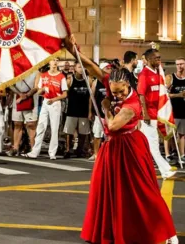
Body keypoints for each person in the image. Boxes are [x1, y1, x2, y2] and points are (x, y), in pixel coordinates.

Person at [62, 36, 178, 244]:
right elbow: (91, 67)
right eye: (113, 92)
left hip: (131, 147)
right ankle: (111, 231)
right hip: (113, 148)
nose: (117, 95)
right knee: (108, 192)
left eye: (120, 91)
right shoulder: (112, 81)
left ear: (128, 84)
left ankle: (166, 231)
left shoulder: (131, 105)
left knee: (142, 191)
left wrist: (106, 106)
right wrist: (73, 51)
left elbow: (113, 125)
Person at [138, 49, 175, 179]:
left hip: (157, 114)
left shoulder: (159, 74)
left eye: (159, 58)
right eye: (156, 58)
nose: (159, 60)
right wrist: (145, 113)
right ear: (148, 60)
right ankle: (165, 170)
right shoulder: (144, 75)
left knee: (147, 146)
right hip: (149, 115)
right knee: (153, 145)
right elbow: (141, 95)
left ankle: (139, 169)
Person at [22, 58, 68, 160]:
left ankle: (52, 152)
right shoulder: (44, 76)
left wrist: (54, 99)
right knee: (41, 126)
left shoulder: (61, 77)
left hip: (55, 103)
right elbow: (38, 92)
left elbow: (65, 94)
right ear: (49, 62)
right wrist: (42, 90)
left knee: (54, 128)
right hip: (45, 102)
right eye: (53, 60)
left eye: (57, 60)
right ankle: (35, 151)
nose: (55, 62)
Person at [166, 57, 185, 164]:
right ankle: (168, 155)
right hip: (173, 109)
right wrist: (179, 94)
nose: (180, 66)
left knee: (182, 134)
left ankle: (182, 155)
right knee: (170, 134)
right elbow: (165, 94)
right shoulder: (170, 77)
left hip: (184, 109)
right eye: (177, 64)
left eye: (182, 64)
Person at [63, 62, 91, 158]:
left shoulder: (88, 80)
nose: (81, 69)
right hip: (72, 110)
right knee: (69, 132)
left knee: (83, 132)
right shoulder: (70, 79)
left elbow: (91, 97)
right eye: (79, 67)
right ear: (74, 68)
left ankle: (80, 149)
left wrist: (90, 111)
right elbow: (64, 93)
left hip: (84, 110)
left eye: (82, 67)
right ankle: (67, 149)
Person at [8, 72, 39, 156]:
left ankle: (33, 148)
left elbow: (36, 87)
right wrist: (19, 94)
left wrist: (26, 95)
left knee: (31, 125)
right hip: (18, 98)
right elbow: (10, 84)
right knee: (17, 123)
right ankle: (15, 148)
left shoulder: (36, 71)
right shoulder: (16, 71)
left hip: (31, 98)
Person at [88, 63, 111, 161]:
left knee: (109, 136)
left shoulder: (111, 81)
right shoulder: (96, 82)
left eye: (110, 68)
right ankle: (96, 153)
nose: (109, 69)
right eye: (107, 68)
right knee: (97, 134)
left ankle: (108, 153)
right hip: (99, 113)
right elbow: (91, 98)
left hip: (109, 114)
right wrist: (90, 111)